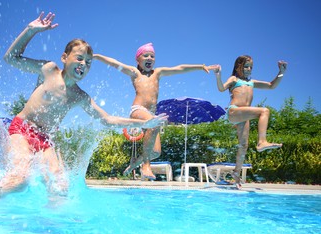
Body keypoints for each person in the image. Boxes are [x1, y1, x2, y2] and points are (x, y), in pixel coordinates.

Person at [0, 12, 167, 198]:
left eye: (88, 63)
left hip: (45, 141)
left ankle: (51, 225)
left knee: (60, 188)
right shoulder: (49, 70)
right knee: (19, 181)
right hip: (22, 129)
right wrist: (30, 31)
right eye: (79, 58)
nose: (83, 64)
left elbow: (108, 120)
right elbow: (11, 58)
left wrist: (145, 123)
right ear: (64, 57)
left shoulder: (80, 96)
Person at [94, 43, 215, 180]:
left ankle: (135, 163)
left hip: (151, 115)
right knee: (155, 124)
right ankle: (145, 165)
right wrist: (97, 57)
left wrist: (200, 66)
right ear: (138, 59)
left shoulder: (158, 73)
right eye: (146, 55)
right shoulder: (135, 73)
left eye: (152, 56)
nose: (149, 58)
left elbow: (179, 68)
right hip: (138, 110)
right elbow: (115, 63)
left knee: (156, 152)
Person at [211, 55, 287, 188]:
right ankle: (262, 141)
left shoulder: (252, 82)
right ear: (238, 67)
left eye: (251, 66)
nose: (249, 69)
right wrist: (218, 76)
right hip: (234, 111)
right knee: (264, 111)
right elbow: (221, 88)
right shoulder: (234, 79)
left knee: (243, 145)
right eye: (246, 66)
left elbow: (271, 86)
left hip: (243, 116)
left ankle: (236, 172)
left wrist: (281, 73)